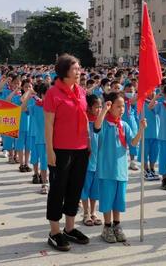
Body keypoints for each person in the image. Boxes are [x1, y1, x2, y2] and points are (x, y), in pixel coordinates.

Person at [44, 54, 90, 252]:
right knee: (58, 189)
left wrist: (88, 143)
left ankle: (70, 228)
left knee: (75, 189)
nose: (79, 72)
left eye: (79, 68)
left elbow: (85, 118)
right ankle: (55, 231)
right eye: (75, 69)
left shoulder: (80, 91)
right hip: (61, 150)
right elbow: (48, 124)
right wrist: (50, 151)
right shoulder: (53, 93)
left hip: (80, 149)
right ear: (64, 72)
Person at [94, 92, 146, 243]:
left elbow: (134, 143)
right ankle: (107, 227)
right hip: (106, 170)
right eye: (118, 106)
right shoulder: (104, 123)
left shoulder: (125, 125)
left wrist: (141, 129)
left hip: (121, 171)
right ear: (110, 107)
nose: (121, 109)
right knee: (107, 201)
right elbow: (96, 127)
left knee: (118, 201)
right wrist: (104, 110)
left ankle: (117, 225)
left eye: (123, 106)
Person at [80, 94, 101, 227]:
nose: (99, 109)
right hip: (86, 161)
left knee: (95, 189)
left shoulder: (101, 121)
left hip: (98, 162)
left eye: (100, 106)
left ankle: (93, 212)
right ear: (88, 107)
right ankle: (86, 213)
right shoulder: (84, 120)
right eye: (96, 107)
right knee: (85, 189)